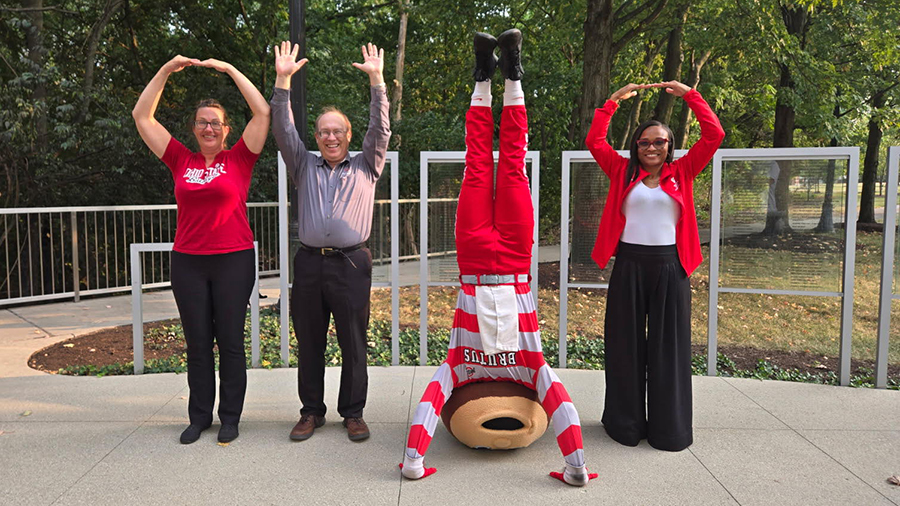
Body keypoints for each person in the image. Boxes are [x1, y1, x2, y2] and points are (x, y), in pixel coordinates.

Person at [400, 30, 597, 486]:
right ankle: (507, 74)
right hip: (508, 260)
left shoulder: (461, 364)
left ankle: (487, 76)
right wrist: (576, 469)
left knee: (486, 162)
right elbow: (558, 399)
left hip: (479, 262)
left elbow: (433, 397)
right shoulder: (529, 362)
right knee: (505, 162)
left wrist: (414, 462)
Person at [132, 56, 271, 444]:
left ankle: (230, 418)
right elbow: (142, 117)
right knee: (197, 343)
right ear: (194, 129)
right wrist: (164, 71)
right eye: (202, 122)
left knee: (229, 341)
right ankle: (199, 417)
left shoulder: (240, 158)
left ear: (226, 130)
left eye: (216, 122)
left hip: (234, 259)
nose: (209, 128)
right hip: (189, 262)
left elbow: (262, 111)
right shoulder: (180, 159)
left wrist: (229, 69)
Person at [586, 81, 725, 451]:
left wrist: (690, 95)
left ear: (670, 146)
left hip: (670, 268)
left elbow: (715, 133)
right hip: (629, 265)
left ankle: (670, 430)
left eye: (659, 142)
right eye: (645, 142)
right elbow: (595, 142)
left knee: (670, 349)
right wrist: (612, 102)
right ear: (636, 146)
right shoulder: (621, 171)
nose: (652, 148)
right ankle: (624, 424)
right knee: (624, 347)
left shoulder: (683, 171)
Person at [270, 41, 390, 442]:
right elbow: (283, 129)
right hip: (308, 264)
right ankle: (311, 412)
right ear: (317, 137)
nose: (331, 137)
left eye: (338, 131)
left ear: (349, 135)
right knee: (309, 341)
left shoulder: (367, 164)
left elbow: (381, 128)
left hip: (352, 264)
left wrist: (377, 81)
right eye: (324, 131)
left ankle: (353, 413)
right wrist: (283, 81)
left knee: (354, 342)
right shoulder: (302, 163)